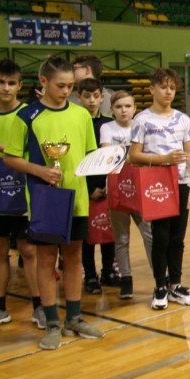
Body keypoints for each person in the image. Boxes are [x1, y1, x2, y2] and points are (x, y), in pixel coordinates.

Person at [2, 56, 102, 350]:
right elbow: (9, 157)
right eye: (60, 85)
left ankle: (74, 317)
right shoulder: (27, 116)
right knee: (46, 260)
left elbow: (88, 154)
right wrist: (40, 170)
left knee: (74, 258)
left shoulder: (82, 115)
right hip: (44, 200)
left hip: (78, 200)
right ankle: (51, 321)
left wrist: (108, 161)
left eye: (70, 86)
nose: (66, 91)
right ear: (43, 82)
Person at [129, 68, 190, 311]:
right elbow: (134, 155)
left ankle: (175, 285)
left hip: (181, 183)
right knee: (160, 237)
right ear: (152, 89)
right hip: (157, 184)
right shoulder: (142, 120)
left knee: (177, 238)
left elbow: (188, 151)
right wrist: (164, 160)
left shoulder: (183, 119)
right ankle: (160, 286)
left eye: (172, 87)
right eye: (163, 87)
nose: (168, 92)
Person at [0, 59, 42, 332]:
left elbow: (29, 151)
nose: (5, 88)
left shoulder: (29, 114)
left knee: (28, 250)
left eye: (11, 83)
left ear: (19, 85)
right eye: (0, 82)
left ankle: (40, 306)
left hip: (24, 194)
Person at [99, 90, 153, 300]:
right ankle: (126, 278)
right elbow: (108, 155)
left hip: (140, 188)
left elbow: (147, 156)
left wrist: (128, 156)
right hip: (116, 189)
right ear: (112, 109)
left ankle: (160, 276)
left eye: (127, 106)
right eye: (119, 107)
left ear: (134, 108)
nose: (123, 111)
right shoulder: (107, 128)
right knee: (121, 238)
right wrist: (133, 157)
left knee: (149, 235)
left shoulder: (141, 126)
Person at [76, 76, 118, 294]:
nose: (92, 101)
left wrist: (108, 186)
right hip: (86, 188)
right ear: (79, 97)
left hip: (107, 186)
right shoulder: (77, 123)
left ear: (102, 97)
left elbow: (112, 157)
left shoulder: (107, 124)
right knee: (88, 236)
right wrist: (90, 188)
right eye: (86, 96)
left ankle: (109, 270)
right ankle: (90, 275)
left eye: (95, 96)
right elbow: (80, 159)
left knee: (108, 230)